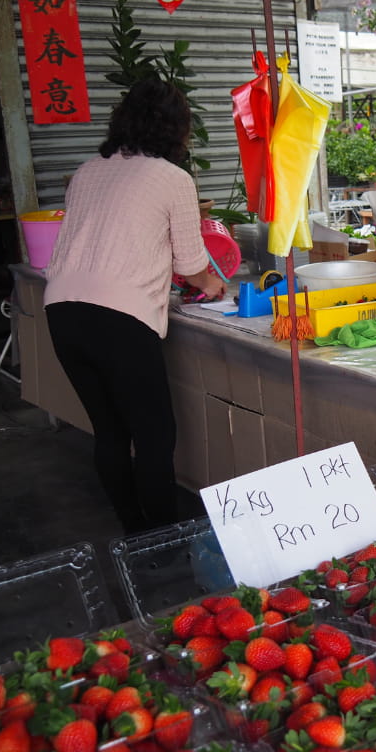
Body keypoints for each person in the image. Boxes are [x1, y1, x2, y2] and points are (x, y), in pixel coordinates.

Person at [43, 77, 226, 533]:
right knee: (153, 435)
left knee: (110, 430)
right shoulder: (172, 178)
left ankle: (134, 532)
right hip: (119, 319)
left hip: (62, 310)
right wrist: (213, 285)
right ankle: (162, 538)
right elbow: (191, 262)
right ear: (177, 129)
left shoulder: (88, 170)